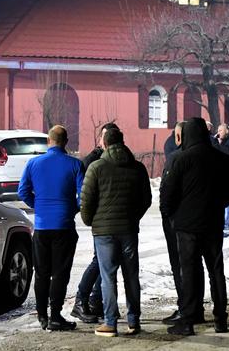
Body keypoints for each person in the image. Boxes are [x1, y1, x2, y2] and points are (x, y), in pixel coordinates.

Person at [160, 117, 229, 336]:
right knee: (216, 271)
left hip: (186, 226)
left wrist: (173, 216)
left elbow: (167, 195)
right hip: (212, 223)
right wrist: (216, 205)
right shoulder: (221, 159)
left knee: (190, 272)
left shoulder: (180, 160)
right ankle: (220, 318)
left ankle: (188, 320)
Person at [80, 128, 152, 337]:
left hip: (104, 232)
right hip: (129, 229)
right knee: (131, 276)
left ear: (104, 143)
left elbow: (86, 200)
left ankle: (110, 323)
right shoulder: (137, 168)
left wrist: (91, 221)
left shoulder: (96, 167)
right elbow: (146, 199)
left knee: (108, 276)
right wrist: (133, 216)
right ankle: (133, 321)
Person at [17, 125, 84, 332]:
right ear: (65, 142)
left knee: (42, 273)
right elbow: (83, 196)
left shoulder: (33, 163)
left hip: (42, 227)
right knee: (60, 273)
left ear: (49, 141)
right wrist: (71, 209)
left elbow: (23, 191)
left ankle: (42, 315)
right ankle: (56, 316)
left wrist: (39, 206)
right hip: (63, 227)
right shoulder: (75, 165)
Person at [70, 122, 119, 323]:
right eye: (105, 136)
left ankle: (96, 301)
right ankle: (82, 300)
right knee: (100, 261)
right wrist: (89, 216)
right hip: (101, 220)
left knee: (108, 263)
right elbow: (85, 193)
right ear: (101, 138)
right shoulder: (92, 160)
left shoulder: (117, 157)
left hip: (113, 219)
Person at [160, 122, 206, 326]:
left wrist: (168, 214)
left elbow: (167, 192)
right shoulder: (206, 154)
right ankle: (197, 308)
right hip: (199, 220)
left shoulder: (177, 158)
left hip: (179, 223)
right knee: (198, 267)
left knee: (183, 266)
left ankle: (186, 309)